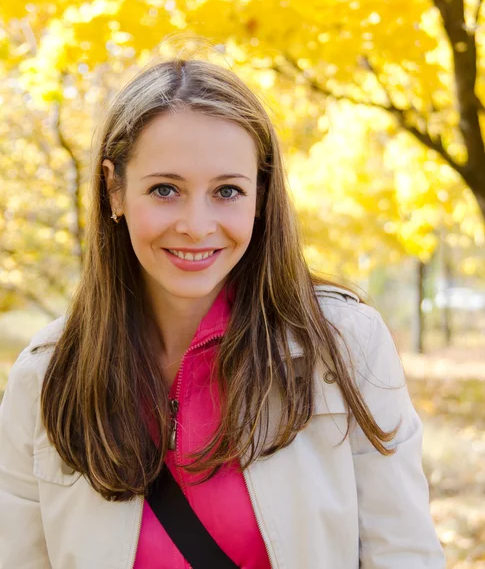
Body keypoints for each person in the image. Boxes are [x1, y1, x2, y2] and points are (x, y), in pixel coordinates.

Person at [0, 58, 445, 569]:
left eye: (227, 191)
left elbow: (404, 555)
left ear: (260, 196)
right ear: (114, 189)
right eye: (165, 189)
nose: (196, 224)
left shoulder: (343, 344)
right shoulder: (44, 378)